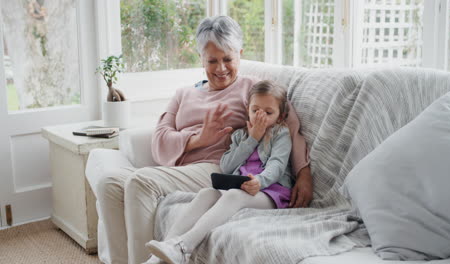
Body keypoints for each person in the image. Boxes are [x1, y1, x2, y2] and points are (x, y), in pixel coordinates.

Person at [96, 15, 313, 264]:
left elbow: (288, 123)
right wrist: (198, 139)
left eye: (228, 59)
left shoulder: (250, 89)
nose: (221, 68)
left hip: (215, 168)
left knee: (140, 182)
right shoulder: (183, 94)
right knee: (109, 183)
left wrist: (304, 173)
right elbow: (160, 139)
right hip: (178, 169)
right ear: (201, 59)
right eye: (212, 60)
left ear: (240, 54)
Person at [146, 80, 294, 264]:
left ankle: (184, 247)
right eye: (255, 110)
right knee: (206, 193)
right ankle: (158, 257)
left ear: (280, 117)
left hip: (271, 192)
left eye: (269, 113)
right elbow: (227, 166)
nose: (260, 116)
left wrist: (260, 181)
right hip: (243, 187)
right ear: (248, 109)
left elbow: (277, 166)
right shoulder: (241, 136)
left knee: (234, 195)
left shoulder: (281, 133)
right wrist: (253, 138)